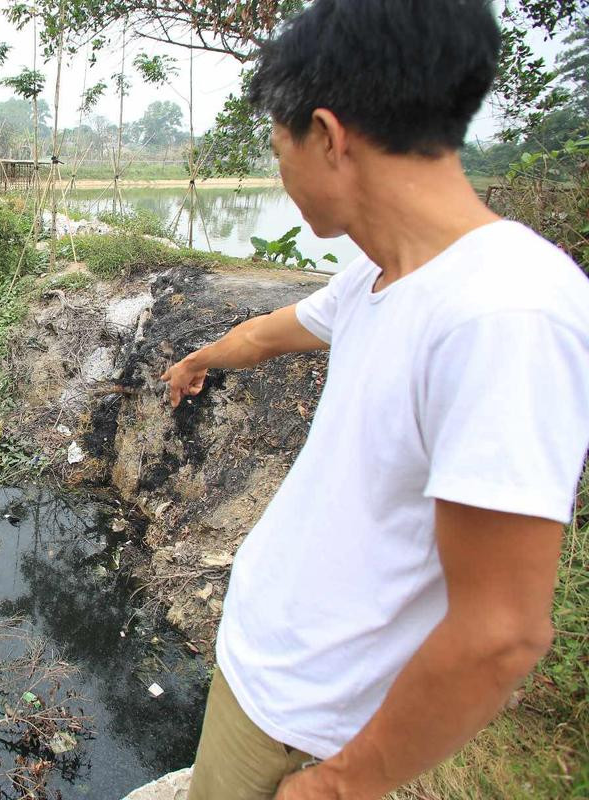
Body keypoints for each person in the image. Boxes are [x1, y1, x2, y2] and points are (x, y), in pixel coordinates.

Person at [158, 1, 589, 798]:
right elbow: (267, 334)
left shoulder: (507, 312)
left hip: (306, 726)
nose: (280, 171)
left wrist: (341, 784)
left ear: (327, 135)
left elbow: (503, 634)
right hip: (266, 673)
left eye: (278, 143)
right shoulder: (380, 273)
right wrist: (198, 358)